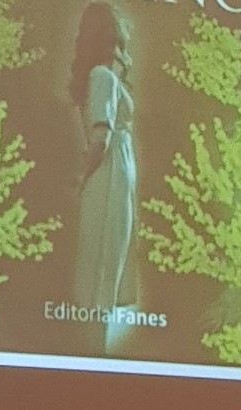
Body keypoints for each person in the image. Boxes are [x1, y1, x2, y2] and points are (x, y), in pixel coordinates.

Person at [69, 1, 138, 354]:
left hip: (115, 173)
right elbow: (100, 137)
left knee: (107, 260)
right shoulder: (103, 76)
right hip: (109, 174)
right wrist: (83, 179)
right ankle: (94, 352)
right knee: (103, 262)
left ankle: (96, 349)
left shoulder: (104, 76)